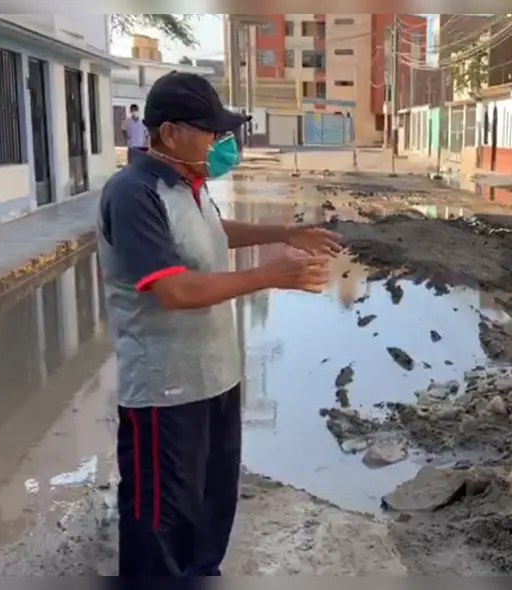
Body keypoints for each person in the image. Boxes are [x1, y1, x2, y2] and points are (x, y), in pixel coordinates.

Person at [97, 71, 343, 578]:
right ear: (170, 133)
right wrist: (270, 275)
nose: (220, 141)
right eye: (209, 130)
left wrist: (285, 232)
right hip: (164, 390)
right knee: (160, 522)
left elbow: (211, 232)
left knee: (210, 509)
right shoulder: (133, 192)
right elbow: (173, 289)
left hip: (215, 379)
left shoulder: (190, 185)